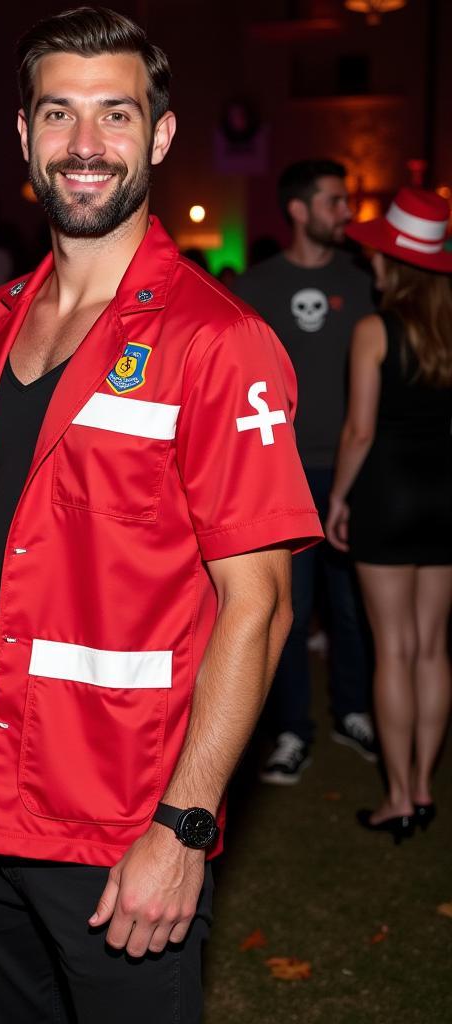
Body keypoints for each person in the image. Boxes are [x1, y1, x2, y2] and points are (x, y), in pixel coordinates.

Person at [0, 8, 320, 1022]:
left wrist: (183, 826)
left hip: (115, 824)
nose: (85, 146)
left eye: (114, 115)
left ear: (162, 134)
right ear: (22, 134)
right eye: (58, 115)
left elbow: (257, 606)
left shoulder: (217, 342)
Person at [233, 159, 377, 784]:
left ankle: (356, 712)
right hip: (283, 476)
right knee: (285, 611)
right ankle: (292, 728)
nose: (346, 212)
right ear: (298, 210)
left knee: (355, 607)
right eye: (335, 201)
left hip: (356, 472)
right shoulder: (256, 288)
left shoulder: (363, 281)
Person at [325, 188, 452, 843]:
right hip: (445, 498)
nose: (370, 263)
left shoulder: (375, 329)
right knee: (432, 648)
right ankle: (425, 788)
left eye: (376, 255)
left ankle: (399, 796)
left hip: (388, 496)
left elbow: (359, 431)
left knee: (392, 650)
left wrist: (338, 499)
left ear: (394, 263)